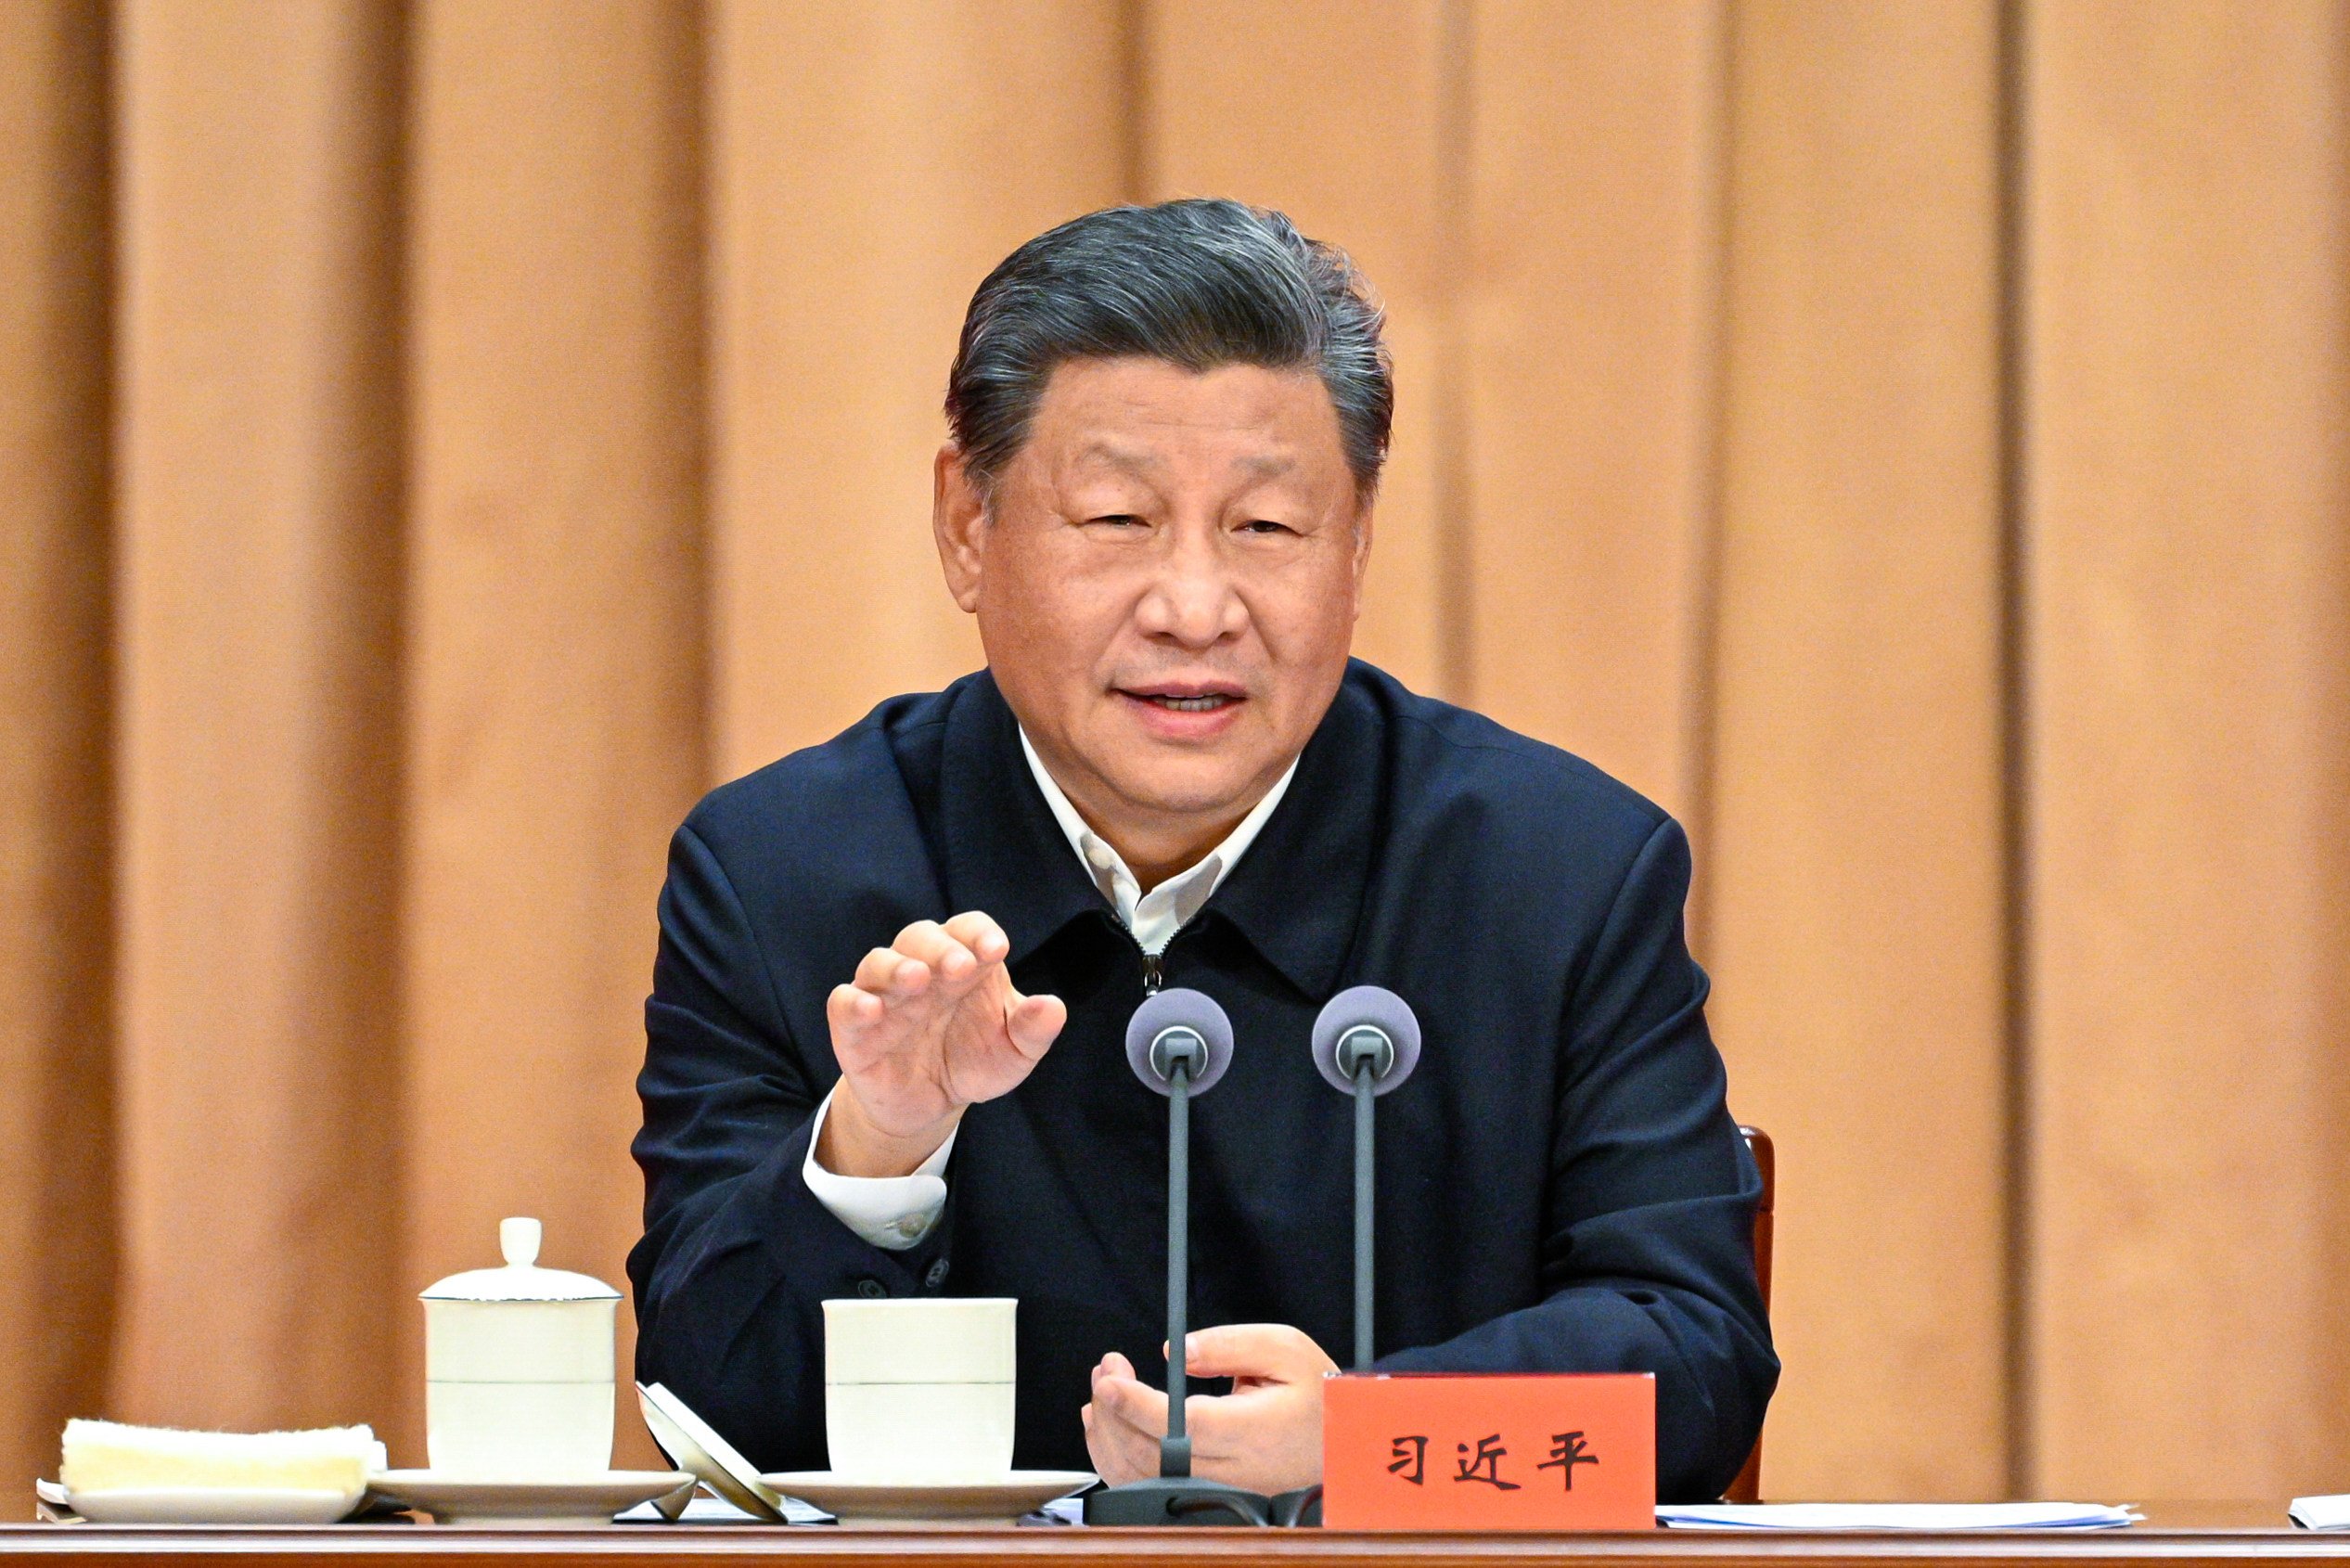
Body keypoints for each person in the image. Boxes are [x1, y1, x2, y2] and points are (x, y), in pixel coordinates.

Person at [628, 199, 1776, 1503]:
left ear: (1354, 544)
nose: (1191, 608)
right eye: (1115, 520)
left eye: (1266, 529)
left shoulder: (1555, 871)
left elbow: (1691, 1366)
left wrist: (1368, 1441)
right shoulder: (782, 869)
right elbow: (707, 1407)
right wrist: (877, 1143)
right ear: (966, 524)